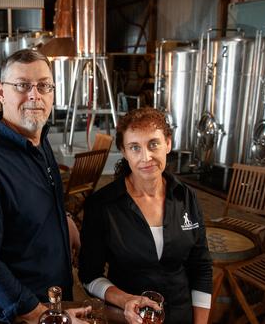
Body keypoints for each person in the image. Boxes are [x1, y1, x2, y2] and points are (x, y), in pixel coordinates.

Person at [0, 49, 87, 324]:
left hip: (54, 304)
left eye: (44, 85)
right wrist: (40, 315)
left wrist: (64, 219)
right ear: (1, 92)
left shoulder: (39, 141)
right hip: (19, 315)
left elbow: (31, 205)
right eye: (23, 85)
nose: (35, 95)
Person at [78, 107, 213, 324]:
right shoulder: (102, 205)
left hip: (181, 316)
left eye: (153, 144)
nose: (146, 157)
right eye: (135, 147)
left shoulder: (186, 197)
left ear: (168, 143)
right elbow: (89, 276)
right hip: (127, 318)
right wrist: (125, 300)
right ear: (123, 151)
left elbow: (201, 268)